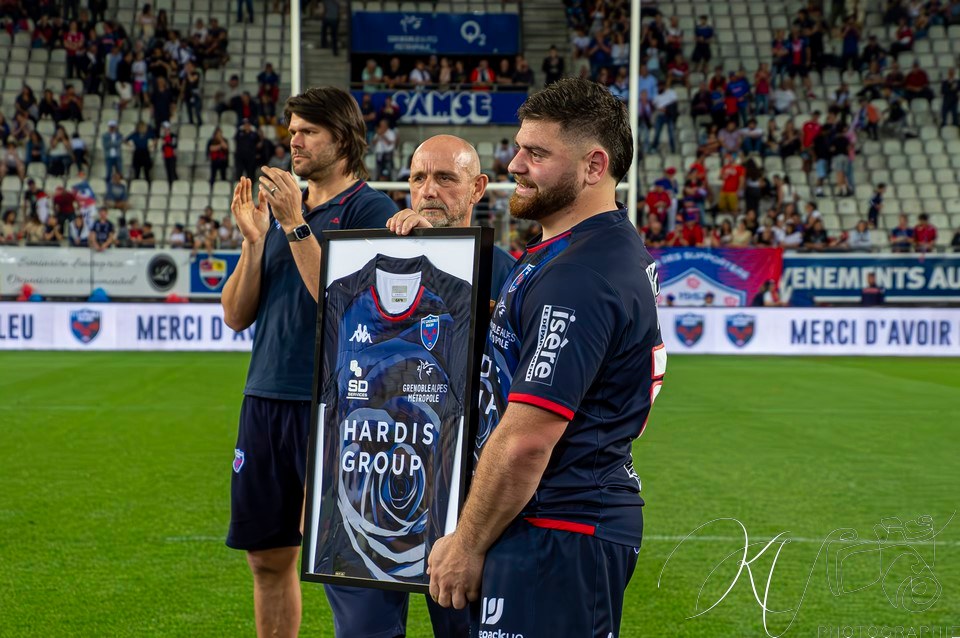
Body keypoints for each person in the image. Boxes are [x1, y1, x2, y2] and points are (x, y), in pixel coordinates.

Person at [426, 77, 665, 637]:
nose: (515, 165)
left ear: (593, 166)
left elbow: (528, 439)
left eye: (536, 153)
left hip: (558, 526)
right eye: (518, 148)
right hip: (550, 522)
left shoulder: (580, 274)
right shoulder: (576, 252)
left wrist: (467, 542)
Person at [222, 86, 399, 638]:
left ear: (342, 139)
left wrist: (297, 225)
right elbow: (235, 314)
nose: (292, 141)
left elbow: (348, 305)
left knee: (341, 565)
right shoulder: (281, 215)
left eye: (306, 132)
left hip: (333, 406)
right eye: (291, 130)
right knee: (267, 557)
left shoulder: (372, 210)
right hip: (265, 398)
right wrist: (254, 244)